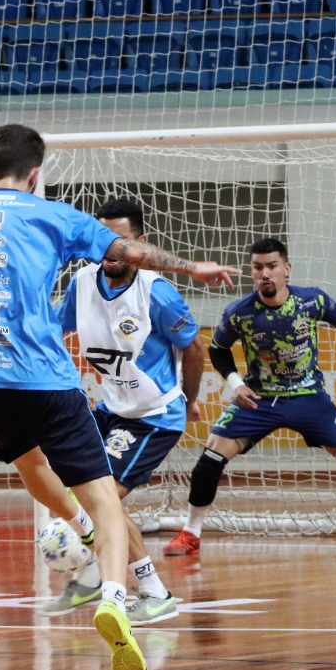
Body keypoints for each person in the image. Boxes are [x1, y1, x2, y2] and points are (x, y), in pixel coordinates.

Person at [0, 124, 237, 670]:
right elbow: (129, 250)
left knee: (31, 464)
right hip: (45, 383)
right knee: (104, 497)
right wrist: (192, 267)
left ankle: (89, 544)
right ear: (34, 176)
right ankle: (116, 596)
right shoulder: (51, 214)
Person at [162, 237, 336, 559]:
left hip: (308, 396)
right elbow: (218, 350)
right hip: (258, 400)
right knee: (209, 461)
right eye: (258, 267)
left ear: (286, 269)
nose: (265, 274)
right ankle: (191, 533)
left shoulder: (311, 301)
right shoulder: (239, 312)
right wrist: (235, 383)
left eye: (272, 266)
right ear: (251, 271)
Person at [41, 197, 204, 626]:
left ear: (141, 244)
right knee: (64, 486)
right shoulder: (81, 284)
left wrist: (190, 400)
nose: (110, 254)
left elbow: (194, 348)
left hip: (152, 415)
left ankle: (154, 591)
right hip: (109, 409)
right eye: (105, 244)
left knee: (104, 499)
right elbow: (54, 331)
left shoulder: (157, 292)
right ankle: (93, 573)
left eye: (121, 243)